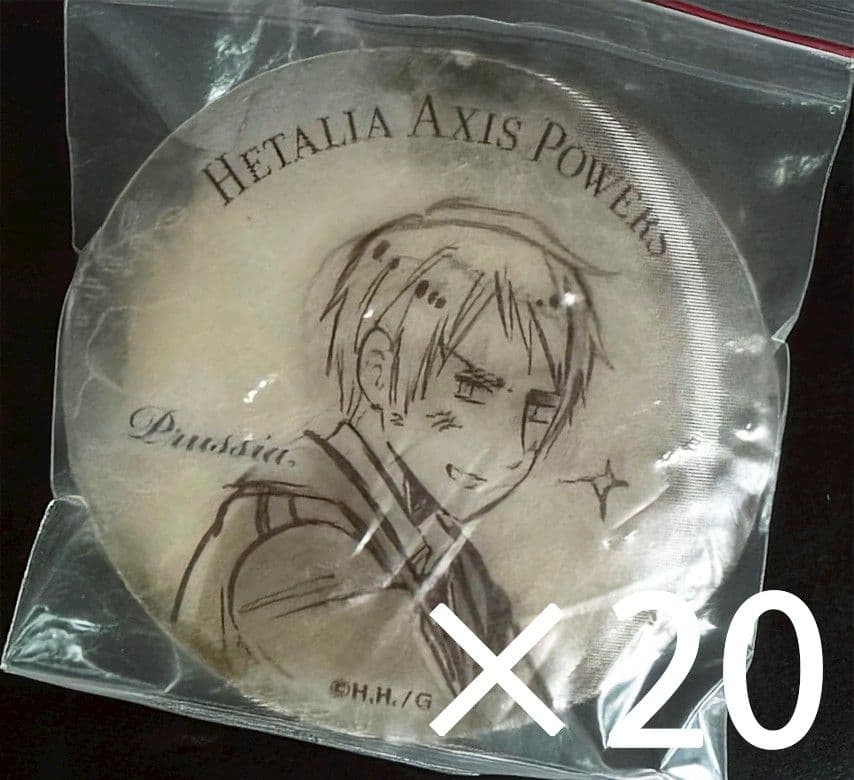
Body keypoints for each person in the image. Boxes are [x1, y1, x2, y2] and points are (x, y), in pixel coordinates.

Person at [172, 198, 605, 702]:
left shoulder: (447, 553)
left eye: (539, 410)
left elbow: (519, 710)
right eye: (473, 388)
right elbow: (431, 721)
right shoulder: (299, 545)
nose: (514, 443)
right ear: (378, 371)